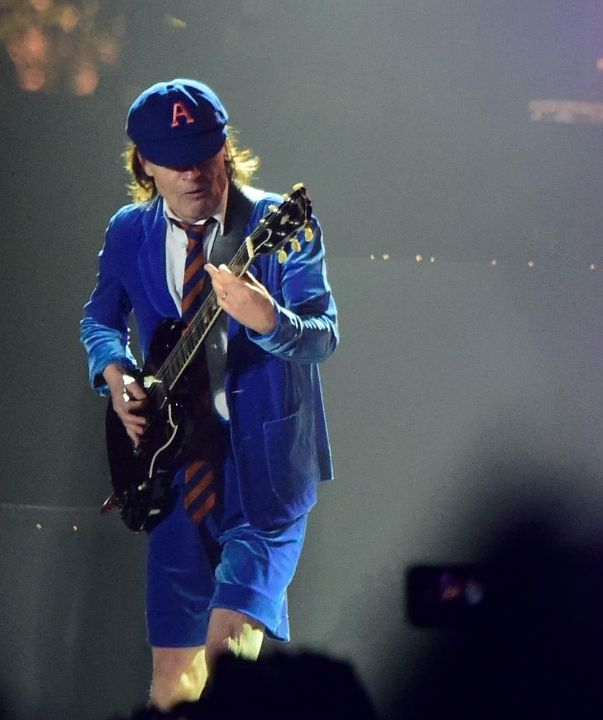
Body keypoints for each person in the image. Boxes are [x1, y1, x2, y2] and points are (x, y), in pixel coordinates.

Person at [80, 79, 337, 709]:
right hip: (173, 476)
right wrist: (115, 373)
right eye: (175, 160)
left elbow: (323, 334)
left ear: (225, 148)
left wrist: (268, 319)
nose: (193, 172)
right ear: (144, 162)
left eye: (204, 153)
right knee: (172, 685)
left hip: (264, 477)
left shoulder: (277, 223)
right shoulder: (129, 231)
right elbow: (100, 320)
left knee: (228, 667)